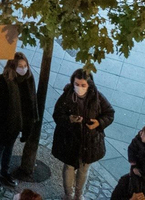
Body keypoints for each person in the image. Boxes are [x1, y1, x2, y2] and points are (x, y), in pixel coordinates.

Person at [51, 69, 113, 200]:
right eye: (77, 84)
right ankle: (68, 195)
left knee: (84, 169)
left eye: (83, 85)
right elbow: (57, 114)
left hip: (89, 141)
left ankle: (79, 195)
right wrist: (69, 119)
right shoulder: (67, 96)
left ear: (89, 85)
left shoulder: (98, 97)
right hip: (69, 140)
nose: (79, 88)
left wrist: (99, 123)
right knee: (69, 167)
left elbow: (109, 113)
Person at [0, 53, 34, 187]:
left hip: (16, 124)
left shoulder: (27, 80)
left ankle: (5, 173)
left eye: (25, 66)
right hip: (3, 124)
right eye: (20, 66)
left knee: (9, 149)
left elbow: (30, 102)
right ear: (12, 67)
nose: (23, 69)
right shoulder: (3, 80)